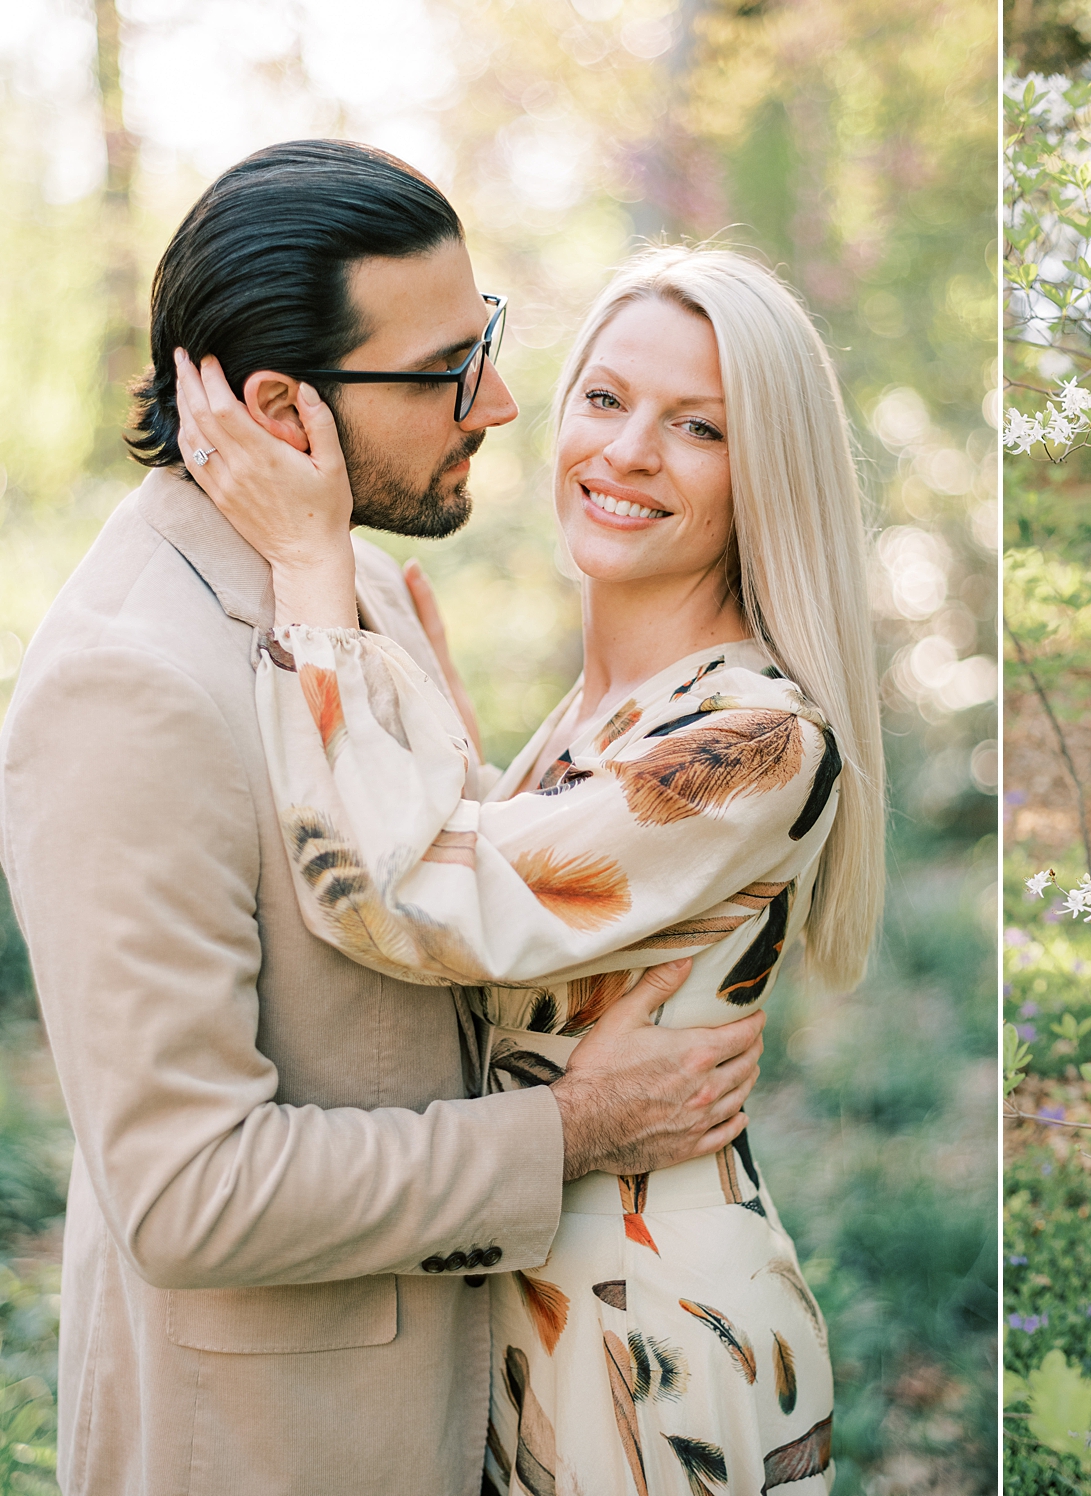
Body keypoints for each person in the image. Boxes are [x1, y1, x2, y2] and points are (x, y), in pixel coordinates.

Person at [0, 142, 768, 1495]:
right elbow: (190, 1192)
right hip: (277, 1451)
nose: (505, 404)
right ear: (286, 408)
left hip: (474, 1408)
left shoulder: (359, 588)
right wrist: (573, 1134)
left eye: (491, 344)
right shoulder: (129, 687)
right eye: (446, 375)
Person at [173, 240, 884, 1496]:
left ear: (763, 474)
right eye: (605, 399)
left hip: (648, 1332)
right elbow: (516, 899)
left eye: (698, 427)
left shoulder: (754, 736)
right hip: (532, 1288)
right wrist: (451, 745)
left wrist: (311, 568)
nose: (625, 453)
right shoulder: (617, 705)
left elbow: (411, 899)